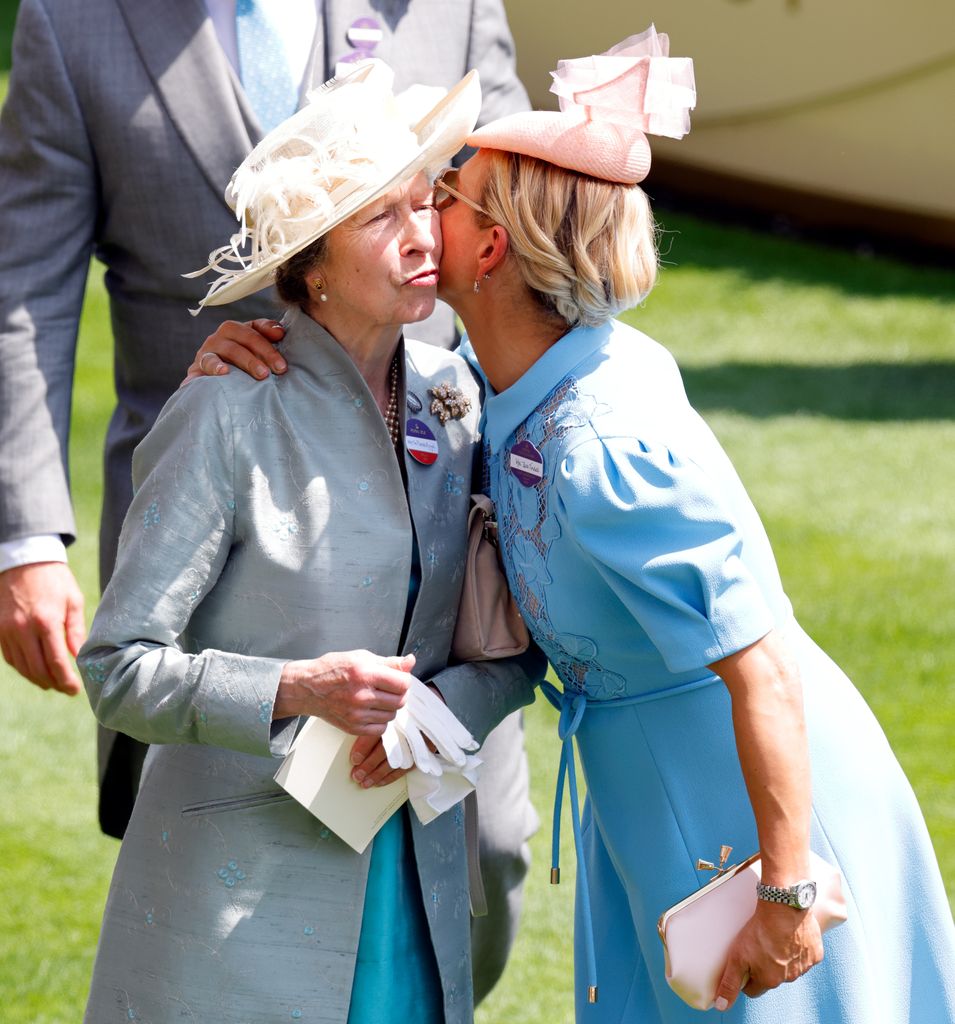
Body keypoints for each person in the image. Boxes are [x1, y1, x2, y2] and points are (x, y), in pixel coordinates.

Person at [201, 28, 955, 1023]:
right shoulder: (519, 381)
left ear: (490, 248)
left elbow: (762, 664)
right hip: (653, 790)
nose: (421, 209)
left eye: (445, 193)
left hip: (756, 816)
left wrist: (786, 888)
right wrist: (259, 349)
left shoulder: (604, 445)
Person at [0, 0, 535, 998]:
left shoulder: (458, 407)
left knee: (483, 867)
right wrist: (294, 690)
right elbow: (121, 667)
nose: (425, 236)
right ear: (309, 265)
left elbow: (512, 645)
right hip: (236, 859)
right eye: (380, 214)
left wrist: (432, 713)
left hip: (412, 848)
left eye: (426, 202)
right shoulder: (225, 412)